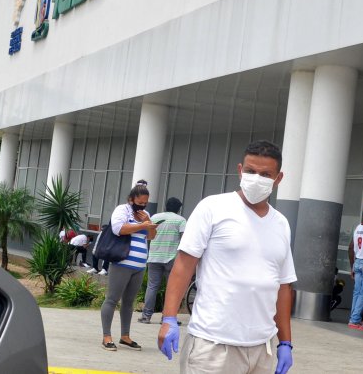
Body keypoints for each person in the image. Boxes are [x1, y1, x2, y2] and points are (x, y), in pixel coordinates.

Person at [157, 140, 295, 374]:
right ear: (240, 170)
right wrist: (168, 318)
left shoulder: (281, 223)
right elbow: (183, 266)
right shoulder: (213, 208)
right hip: (212, 345)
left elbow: (283, 286)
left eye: (265, 174)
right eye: (250, 171)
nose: (256, 179)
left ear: (278, 178)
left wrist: (285, 342)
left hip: (261, 349)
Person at [99, 182, 158, 351]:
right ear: (131, 199)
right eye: (140, 203)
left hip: (139, 265)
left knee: (129, 302)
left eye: (145, 203)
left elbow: (151, 236)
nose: (143, 206)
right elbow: (118, 229)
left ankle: (125, 336)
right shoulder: (122, 210)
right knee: (112, 299)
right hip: (122, 262)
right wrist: (142, 225)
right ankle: (106, 336)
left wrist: (148, 222)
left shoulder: (145, 215)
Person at [138, 196, 186, 324]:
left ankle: (146, 316)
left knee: (152, 287)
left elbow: (147, 235)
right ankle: (166, 318)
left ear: (165, 206)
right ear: (179, 209)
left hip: (154, 257)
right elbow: (184, 240)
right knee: (172, 288)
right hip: (171, 258)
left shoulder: (154, 217)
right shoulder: (181, 220)